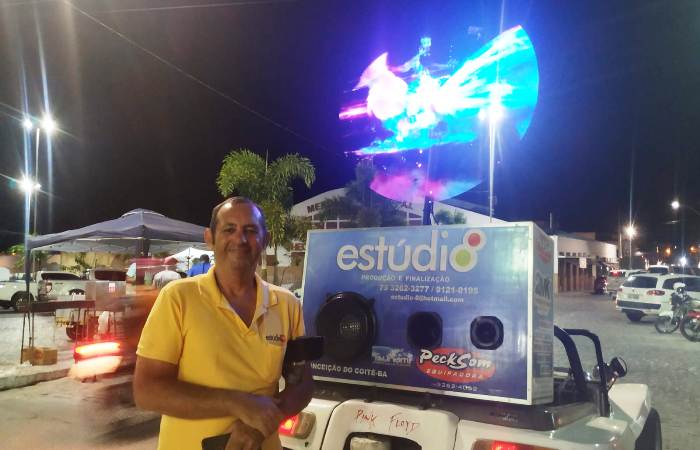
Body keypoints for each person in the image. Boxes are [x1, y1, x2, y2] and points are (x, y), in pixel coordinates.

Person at [133, 197, 312, 450]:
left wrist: (259, 424)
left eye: (251, 230)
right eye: (229, 229)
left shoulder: (285, 304)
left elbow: (303, 383)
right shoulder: (178, 298)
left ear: (265, 239)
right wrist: (236, 403)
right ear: (210, 238)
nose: (240, 239)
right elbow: (147, 391)